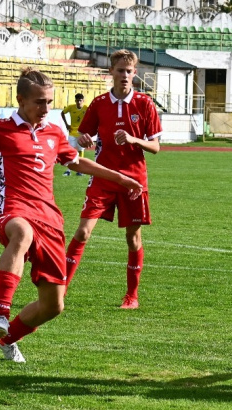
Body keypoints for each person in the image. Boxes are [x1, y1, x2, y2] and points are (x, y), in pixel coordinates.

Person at [0, 67, 143, 363]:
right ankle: (0, 314)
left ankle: (7, 338)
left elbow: (79, 164)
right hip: (13, 211)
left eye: (49, 101)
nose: (45, 108)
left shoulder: (54, 133)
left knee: (53, 306)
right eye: (39, 102)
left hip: (49, 219)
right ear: (21, 100)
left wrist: (121, 178)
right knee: (22, 233)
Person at [66, 49, 162, 310]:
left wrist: (134, 139)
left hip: (133, 179)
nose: (125, 75)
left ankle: (131, 296)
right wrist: (84, 139)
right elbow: (83, 136)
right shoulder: (98, 103)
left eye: (129, 71)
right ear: (111, 72)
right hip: (103, 176)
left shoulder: (144, 103)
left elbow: (155, 147)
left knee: (133, 238)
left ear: (135, 73)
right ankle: (59, 290)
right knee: (83, 232)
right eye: (120, 70)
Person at [61, 93, 88, 176]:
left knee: (81, 151)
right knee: (70, 151)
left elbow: (92, 116)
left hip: (81, 133)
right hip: (72, 132)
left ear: (83, 101)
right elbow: (62, 113)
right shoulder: (71, 107)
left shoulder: (86, 108)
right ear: (75, 100)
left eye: (80, 100)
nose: (79, 102)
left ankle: (80, 170)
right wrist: (66, 125)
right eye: (77, 100)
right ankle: (68, 170)